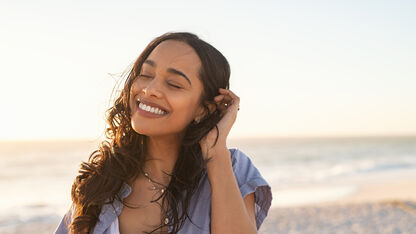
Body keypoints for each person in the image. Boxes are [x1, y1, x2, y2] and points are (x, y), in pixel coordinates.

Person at [54, 31, 272, 234]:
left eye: (174, 84)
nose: (150, 90)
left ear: (202, 109)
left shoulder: (231, 168)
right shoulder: (99, 181)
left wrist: (215, 152)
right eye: (146, 74)